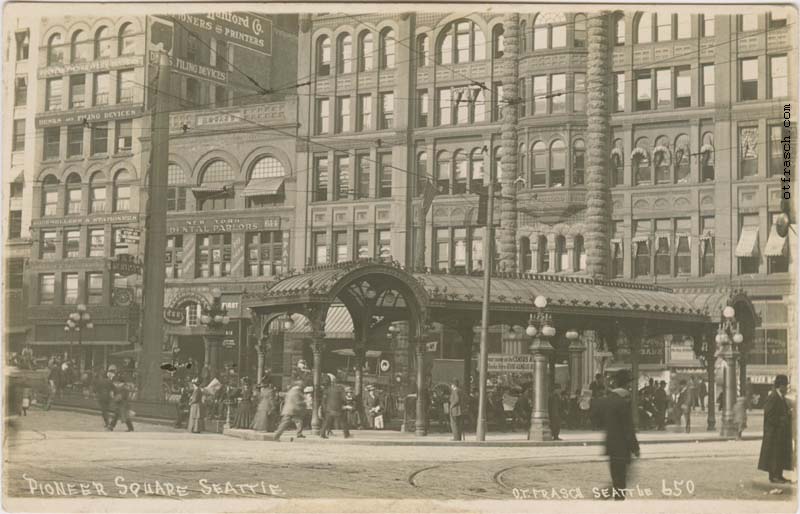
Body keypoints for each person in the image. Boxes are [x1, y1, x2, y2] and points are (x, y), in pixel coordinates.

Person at [593, 369, 640, 501]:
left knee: (616, 477)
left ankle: (606, 496)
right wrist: (635, 448)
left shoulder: (606, 400)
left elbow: (597, 421)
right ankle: (608, 499)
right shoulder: (623, 402)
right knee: (621, 481)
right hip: (622, 447)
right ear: (626, 385)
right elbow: (628, 428)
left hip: (610, 446)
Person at [758, 375, 794, 484]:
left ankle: (779, 475)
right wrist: (782, 419)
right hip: (774, 433)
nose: (787, 388)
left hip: (780, 432)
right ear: (781, 386)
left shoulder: (780, 397)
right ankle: (774, 476)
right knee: (774, 454)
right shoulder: (773, 397)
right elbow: (769, 415)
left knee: (780, 454)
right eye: (785, 385)